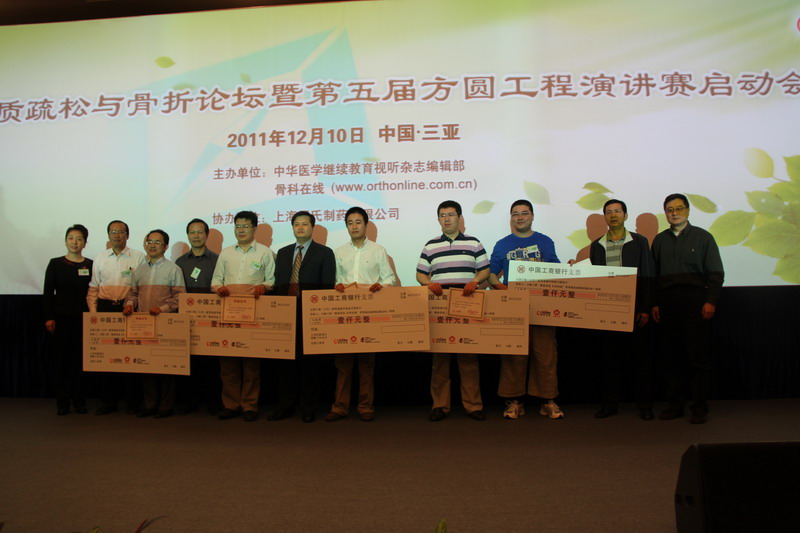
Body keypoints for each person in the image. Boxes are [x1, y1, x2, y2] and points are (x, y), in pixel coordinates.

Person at [488, 199, 564, 420]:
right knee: (514, 354)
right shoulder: (502, 244)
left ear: (532, 216)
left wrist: (570, 269)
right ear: (511, 218)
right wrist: (500, 287)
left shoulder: (545, 242)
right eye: (515, 214)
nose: (520, 217)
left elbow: (557, 270)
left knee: (545, 354)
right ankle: (514, 402)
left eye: (524, 213)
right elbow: (491, 274)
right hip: (513, 307)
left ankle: (548, 401)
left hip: (542, 306)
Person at [652, 193, 724, 424]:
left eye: (679, 208)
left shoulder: (704, 237)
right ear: (665, 213)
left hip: (695, 302)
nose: (674, 213)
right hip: (667, 303)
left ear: (688, 211)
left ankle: (699, 406)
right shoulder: (659, 240)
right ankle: (675, 404)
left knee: (696, 358)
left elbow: (716, 273)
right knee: (670, 358)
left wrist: (711, 301)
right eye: (670, 209)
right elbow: (654, 276)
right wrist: (655, 302)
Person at [416, 200, 489, 422]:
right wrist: (429, 284)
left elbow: (485, 270)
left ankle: (473, 406)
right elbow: (420, 274)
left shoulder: (474, 243)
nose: (447, 219)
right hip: (440, 304)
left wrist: (475, 281)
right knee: (440, 359)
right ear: (438, 219)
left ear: (460, 217)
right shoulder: (430, 245)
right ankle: (440, 405)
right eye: (442, 215)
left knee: (468, 357)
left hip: (467, 303)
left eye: (451, 215)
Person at [324, 207, 396, 422]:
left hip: (368, 313)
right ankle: (339, 407)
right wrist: (336, 286)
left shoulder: (378, 250)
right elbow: (334, 280)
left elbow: (390, 279)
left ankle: (365, 406)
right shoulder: (338, 252)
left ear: (366, 225)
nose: (354, 226)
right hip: (344, 313)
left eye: (358, 222)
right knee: (342, 364)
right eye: (350, 223)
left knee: (366, 364)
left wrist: (381, 286)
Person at [588, 199, 656, 420]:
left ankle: (645, 405)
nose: (613, 215)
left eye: (617, 211)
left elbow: (648, 275)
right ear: (605, 217)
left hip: (635, 310)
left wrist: (645, 307)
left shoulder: (639, 241)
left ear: (625, 215)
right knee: (609, 361)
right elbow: (594, 279)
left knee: (640, 361)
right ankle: (610, 405)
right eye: (609, 212)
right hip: (608, 311)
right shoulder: (597, 245)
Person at [269, 210, 336, 423]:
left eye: (305, 224)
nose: (300, 227)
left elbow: (327, 286)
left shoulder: (325, 253)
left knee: (310, 365)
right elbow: (278, 284)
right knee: (285, 363)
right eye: (296, 224)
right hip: (285, 313)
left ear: (312, 228)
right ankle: (285, 406)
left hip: (310, 314)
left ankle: (308, 408)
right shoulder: (282, 253)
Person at [210, 210, 275, 422]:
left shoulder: (265, 253)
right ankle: (231, 405)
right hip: (228, 312)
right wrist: (219, 288)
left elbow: (272, 280)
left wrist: (264, 287)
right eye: (238, 226)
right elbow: (216, 280)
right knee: (227, 363)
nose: (241, 230)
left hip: (253, 313)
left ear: (254, 228)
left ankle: (249, 405)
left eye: (245, 226)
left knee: (251, 364)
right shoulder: (226, 253)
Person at [123, 229, 186, 418]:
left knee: (166, 367)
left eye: (157, 242)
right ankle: (150, 405)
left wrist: (163, 309)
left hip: (166, 323)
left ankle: (166, 406)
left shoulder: (173, 269)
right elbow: (133, 294)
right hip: (143, 324)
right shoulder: (140, 270)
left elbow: (180, 297)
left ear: (165, 247)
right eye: (149, 241)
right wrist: (129, 305)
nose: (152, 245)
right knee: (147, 366)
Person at [87, 220, 146, 415]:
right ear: (108, 235)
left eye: (120, 232)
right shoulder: (100, 257)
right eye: (113, 232)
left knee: (132, 357)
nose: (116, 235)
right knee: (108, 358)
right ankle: (108, 402)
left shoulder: (138, 257)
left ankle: (133, 402)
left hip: (129, 309)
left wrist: (132, 304)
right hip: (105, 309)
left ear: (127, 235)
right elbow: (93, 288)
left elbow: (140, 287)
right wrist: (94, 314)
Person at [43, 224, 93, 415]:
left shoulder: (90, 265)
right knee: (61, 362)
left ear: (85, 243)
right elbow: (48, 293)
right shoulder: (55, 264)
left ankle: (79, 401)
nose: (74, 242)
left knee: (79, 362)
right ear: (65, 241)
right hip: (61, 320)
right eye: (71, 238)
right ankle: (62, 403)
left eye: (79, 239)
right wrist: (49, 317)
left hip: (83, 320)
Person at [175, 218, 220, 415]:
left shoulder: (217, 260)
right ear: (188, 235)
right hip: (187, 317)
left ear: (207, 235)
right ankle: (189, 401)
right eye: (192, 232)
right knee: (189, 359)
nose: (196, 236)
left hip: (211, 316)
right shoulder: (180, 262)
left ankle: (212, 401)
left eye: (200, 232)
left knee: (211, 362)